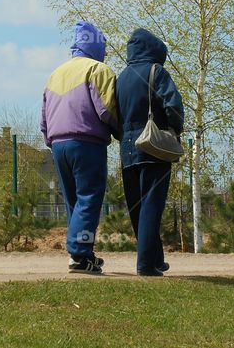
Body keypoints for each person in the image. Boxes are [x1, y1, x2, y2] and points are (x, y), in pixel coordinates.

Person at [41, 20, 120, 274]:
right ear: (96, 46)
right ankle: (80, 255)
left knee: (74, 201)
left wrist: (51, 141)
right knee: (90, 198)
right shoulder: (98, 70)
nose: (106, 52)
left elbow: (44, 116)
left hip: (58, 145)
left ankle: (81, 251)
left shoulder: (56, 73)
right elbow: (107, 109)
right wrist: (123, 132)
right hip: (87, 142)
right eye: (104, 46)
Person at [116, 28, 184, 276]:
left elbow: (113, 115)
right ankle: (146, 264)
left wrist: (122, 135)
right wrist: (175, 129)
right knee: (152, 205)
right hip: (153, 146)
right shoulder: (157, 71)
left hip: (127, 150)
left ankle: (155, 259)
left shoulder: (121, 77)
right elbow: (173, 105)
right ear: (155, 48)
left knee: (137, 207)